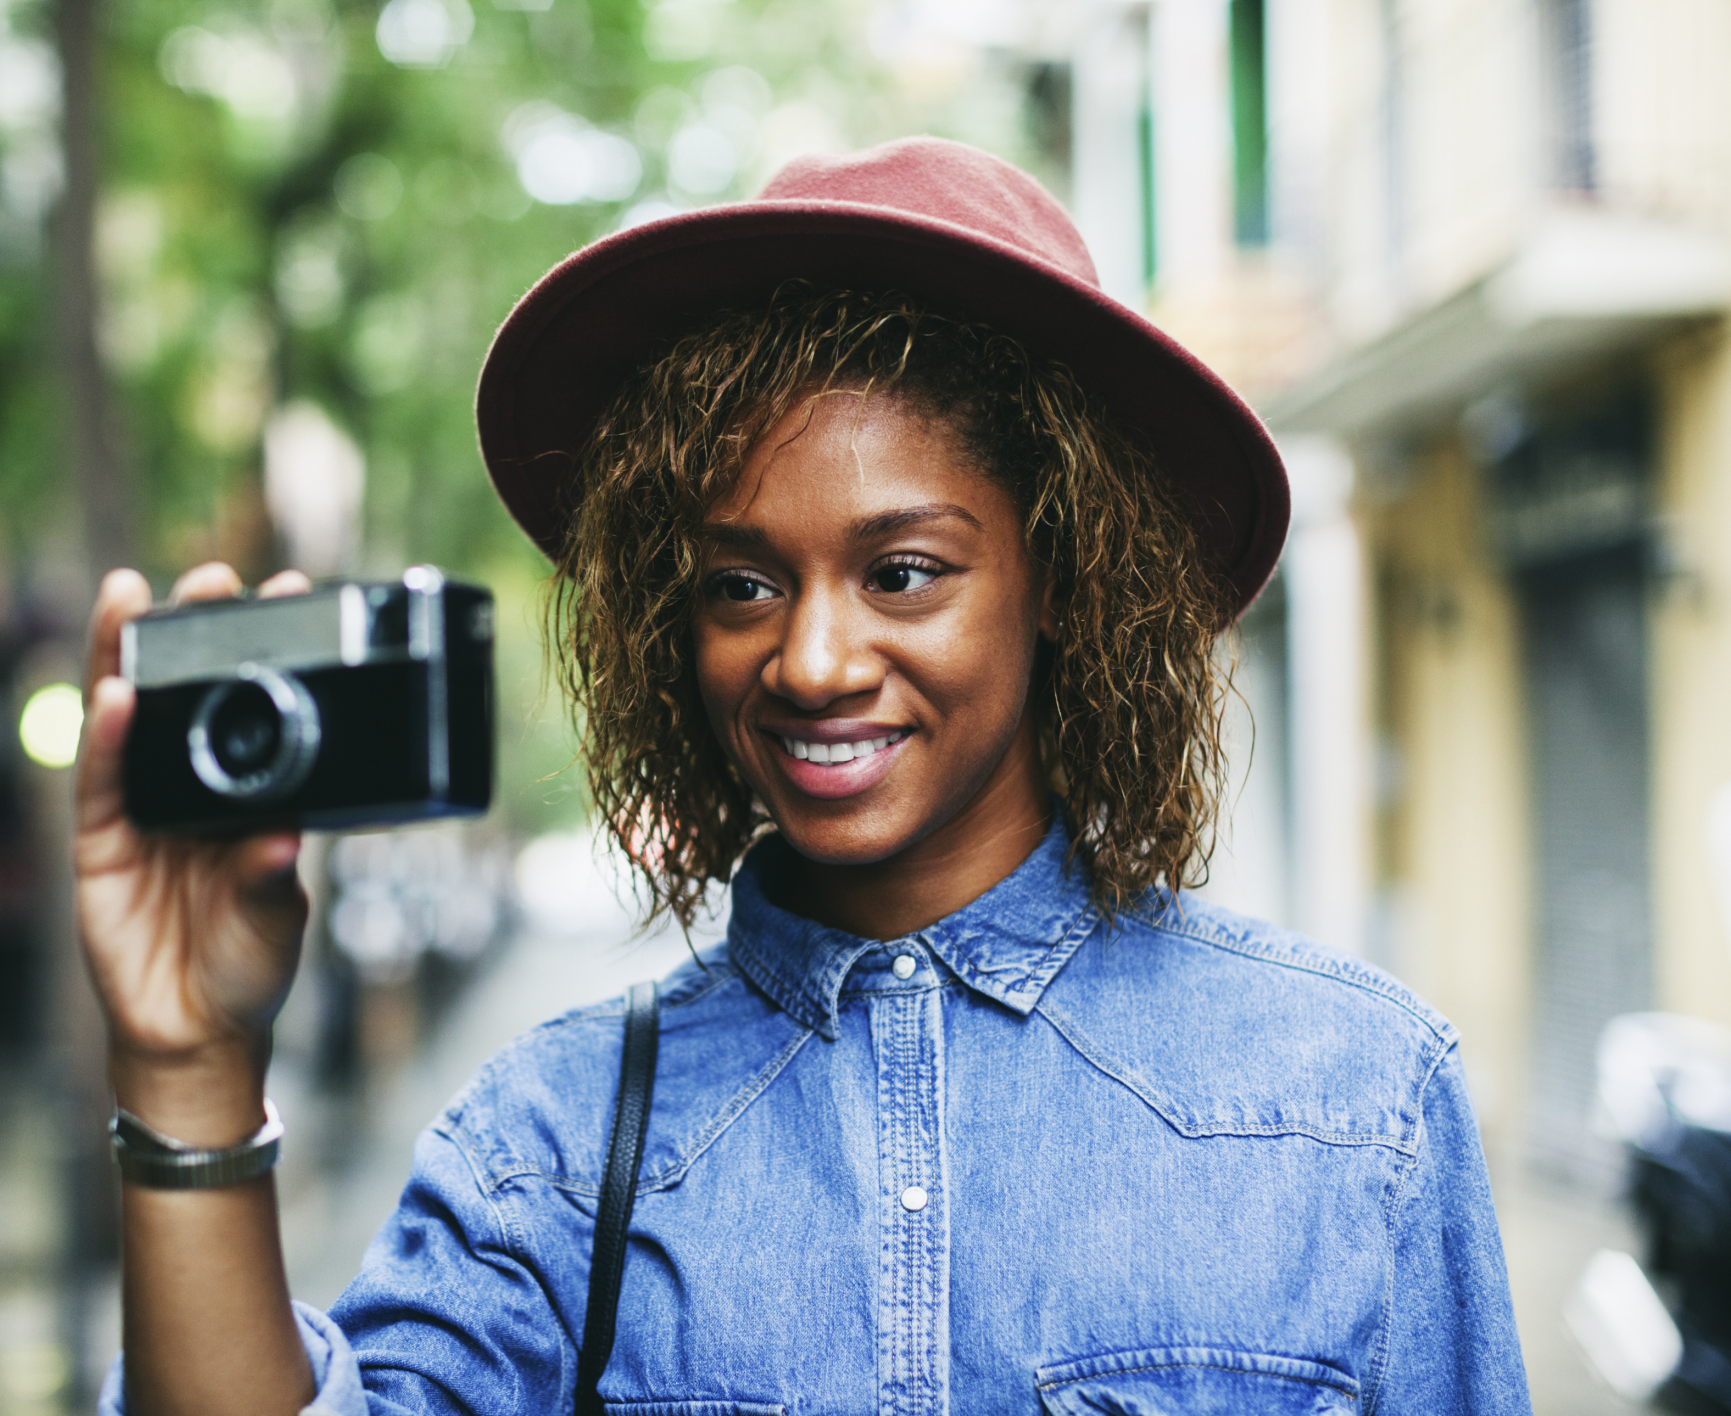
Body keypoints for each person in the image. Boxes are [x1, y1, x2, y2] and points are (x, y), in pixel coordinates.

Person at [78, 138, 1531, 1416]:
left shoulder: (1352, 1100)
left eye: (902, 572)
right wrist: (188, 1069)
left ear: (1068, 578)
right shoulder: (552, 1146)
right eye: (739, 585)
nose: (813, 661)